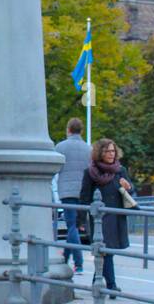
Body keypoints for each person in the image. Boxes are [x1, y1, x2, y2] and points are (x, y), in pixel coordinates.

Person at [78, 138, 134, 292]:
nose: (111, 154)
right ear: (99, 153)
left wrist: (128, 187)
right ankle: (112, 285)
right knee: (105, 249)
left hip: (116, 215)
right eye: (107, 151)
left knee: (107, 251)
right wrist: (81, 220)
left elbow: (130, 192)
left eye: (113, 151)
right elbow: (84, 196)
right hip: (99, 218)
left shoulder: (120, 170)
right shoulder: (91, 172)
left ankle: (97, 278)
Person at [54, 117, 89, 274]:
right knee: (74, 226)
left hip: (67, 191)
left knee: (71, 226)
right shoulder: (88, 148)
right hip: (83, 191)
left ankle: (79, 263)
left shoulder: (60, 147)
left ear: (68, 130)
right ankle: (66, 258)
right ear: (81, 130)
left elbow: (56, 168)